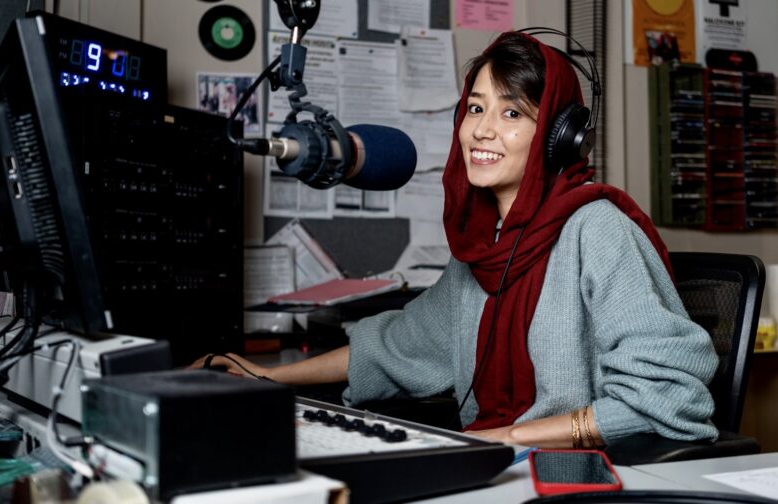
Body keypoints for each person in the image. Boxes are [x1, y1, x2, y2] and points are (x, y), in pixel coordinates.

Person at [192, 31, 719, 449]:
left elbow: (668, 394)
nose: (482, 130)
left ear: (559, 138)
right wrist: (267, 376)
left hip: (579, 472)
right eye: (475, 108)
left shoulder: (597, 229)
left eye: (512, 113)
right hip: (494, 458)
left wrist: (505, 438)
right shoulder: (482, 248)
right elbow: (396, 346)